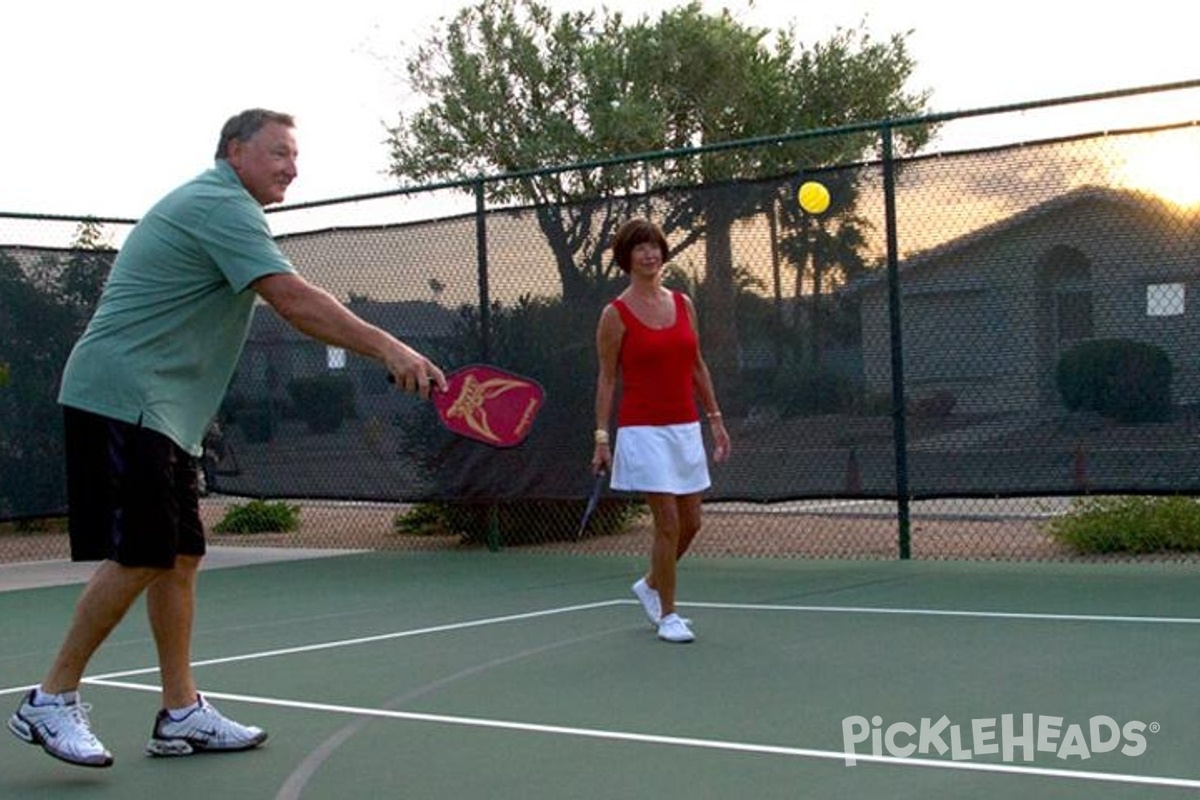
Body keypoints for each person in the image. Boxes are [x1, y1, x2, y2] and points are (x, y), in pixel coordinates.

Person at [7, 108, 446, 769]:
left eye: (295, 157)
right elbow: (293, 301)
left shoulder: (227, 208)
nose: (291, 168)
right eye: (278, 153)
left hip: (164, 411)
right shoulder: (221, 204)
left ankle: (181, 713)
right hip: (125, 397)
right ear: (234, 151)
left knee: (179, 554)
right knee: (144, 551)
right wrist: (387, 345)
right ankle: (50, 697)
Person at [591, 218, 730, 644]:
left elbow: (696, 364)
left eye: (655, 246)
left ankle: (650, 583)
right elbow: (607, 377)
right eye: (640, 248)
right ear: (627, 258)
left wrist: (716, 419)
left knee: (692, 522)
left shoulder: (684, 304)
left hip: (685, 426)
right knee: (667, 522)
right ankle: (667, 614)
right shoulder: (614, 314)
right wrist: (601, 437)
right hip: (642, 430)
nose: (650, 254)